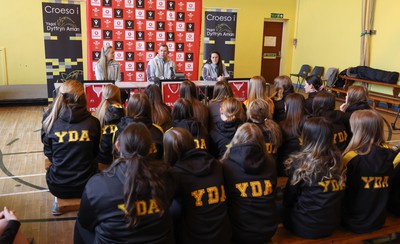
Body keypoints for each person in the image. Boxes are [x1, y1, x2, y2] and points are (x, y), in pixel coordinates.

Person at [74, 123, 175, 243]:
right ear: (150, 149)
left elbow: (86, 222)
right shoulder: (167, 177)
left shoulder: (97, 185)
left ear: (117, 146)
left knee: (80, 225)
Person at [41, 80, 101, 215]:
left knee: (53, 163)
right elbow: (94, 153)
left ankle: (58, 202)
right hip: (87, 184)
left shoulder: (50, 121)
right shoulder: (93, 123)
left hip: (57, 185)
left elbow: (48, 153)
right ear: (83, 98)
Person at [163, 128, 231, 243]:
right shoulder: (215, 164)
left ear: (169, 150)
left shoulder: (175, 174)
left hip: (195, 238)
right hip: (223, 234)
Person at [283, 117, 346, 239]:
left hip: (305, 227)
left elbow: (288, 199)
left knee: (279, 209)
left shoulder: (301, 163)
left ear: (307, 138)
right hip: (332, 224)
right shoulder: (339, 161)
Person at [221, 123, 278, 244]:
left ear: (236, 139)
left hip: (240, 232)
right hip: (268, 229)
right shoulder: (270, 162)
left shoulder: (225, 165)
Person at [342, 110, 397, 233]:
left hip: (352, 221)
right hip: (378, 220)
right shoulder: (391, 155)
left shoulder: (351, 158)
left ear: (357, 131)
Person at [116, 93, 164, 159]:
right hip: (152, 168)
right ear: (148, 109)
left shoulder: (118, 130)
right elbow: (160, 157)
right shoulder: (158, 131)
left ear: (129, 108)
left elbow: (115, 155)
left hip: (124, 168)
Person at [94, 84, 124, 166]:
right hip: (119, 162)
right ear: (118, 95)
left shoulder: (97, 114)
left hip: (100, 162)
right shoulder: (124, 113)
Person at [278, 93, 308, 176]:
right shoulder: (309, 122)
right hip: (306, 165)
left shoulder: (282, 125)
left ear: (288, 106)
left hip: (286, 166)